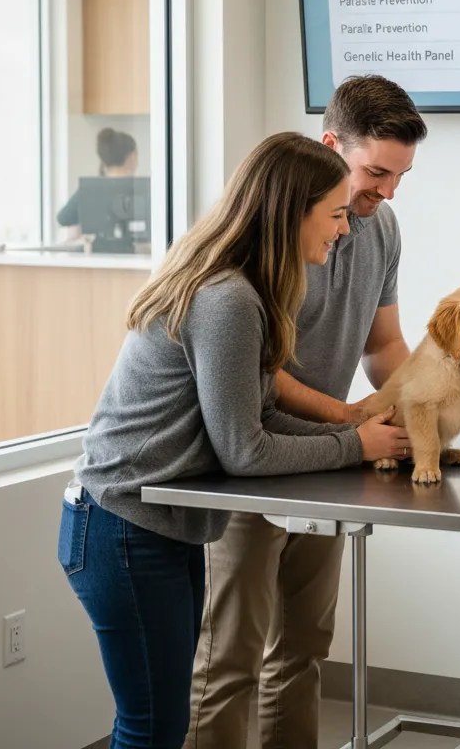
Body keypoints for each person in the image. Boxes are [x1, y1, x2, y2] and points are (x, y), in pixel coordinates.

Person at [56, 132, 411, 749]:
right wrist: (357, 445)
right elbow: (245, 450)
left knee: (156, 726)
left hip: (160, 528)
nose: (343, 229)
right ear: (289, 215)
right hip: (121, 528)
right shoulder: (227, 300)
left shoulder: (245, 292)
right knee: (150, 730)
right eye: (332, 215)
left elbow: (263, 413)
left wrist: (354, 430)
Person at [187, 75, 428, 749]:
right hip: (250, 459)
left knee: (303, 651)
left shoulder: (383, 230)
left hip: (327, 461)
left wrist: (426, 405)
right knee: (229, 657)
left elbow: (383, 345)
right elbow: (262, 375)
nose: (388, 191)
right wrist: (353, 421)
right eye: (377, 171)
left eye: (401, 175)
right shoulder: (264, 240)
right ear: (331, 148)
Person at [56, 127, 139, 230]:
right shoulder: (140, 189)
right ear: (131, 157)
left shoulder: (89, 189)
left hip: (96, 246)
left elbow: (63, 218)